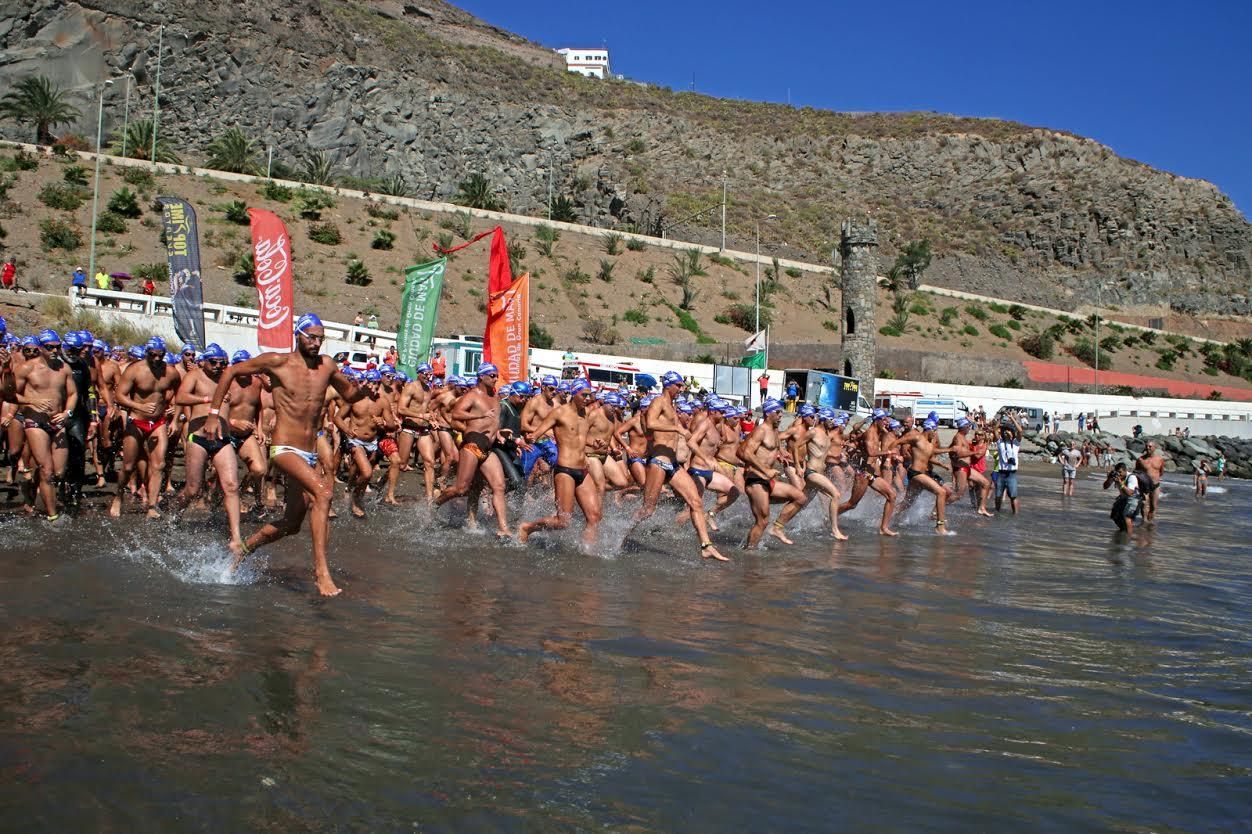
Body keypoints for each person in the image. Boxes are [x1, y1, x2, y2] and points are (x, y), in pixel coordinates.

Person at [202, 313, 366, 597]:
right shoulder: (277, 362)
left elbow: (350, 395)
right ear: (298, 335)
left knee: (291, 525)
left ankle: (243, 549)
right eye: (311, 337)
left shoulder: (326, 366)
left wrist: (362, 390)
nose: (316, 343)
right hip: (284, 448)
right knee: (324, 494)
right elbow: (230, 371)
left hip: (309, 452)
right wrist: (214, 415)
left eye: (320, 339)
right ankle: (321, 573)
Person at [13, 329, 77, 521]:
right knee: (47, 470)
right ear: (40, 348)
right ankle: (52, 515)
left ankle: (31, 486)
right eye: (50, 347)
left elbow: (73, 394)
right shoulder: (26, 368)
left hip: (58, 423)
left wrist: (68, 412)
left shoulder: (63, 368)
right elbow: (10, 395)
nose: (55, 351)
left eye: (58, 347)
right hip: (35, 423)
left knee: (58, 472)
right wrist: (31, 402)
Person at [994, 410, 1022, 514]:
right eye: (1004, 430)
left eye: (1009, 430)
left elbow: (1020, 431)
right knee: (998, 495)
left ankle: (1015, 515)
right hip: (1001, 473)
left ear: (1012, 433)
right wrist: (1001, 418)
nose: (1006, 432)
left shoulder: (1015, 443)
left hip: (1012, 474)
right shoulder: (1000, 442)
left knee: (1013, 496)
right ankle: (997, 513)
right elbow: (995, 430)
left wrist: (1012, 418)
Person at [1103, 462, 1140, 534]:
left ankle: (1129, 536)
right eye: (1117, 472)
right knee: (1114, 515)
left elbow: (1130, 493)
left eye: (1120, 472)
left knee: (1126, 516)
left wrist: (1120, 483)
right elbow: (1105, 487)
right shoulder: (1116, 476)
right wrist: (1109, 478)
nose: (1119, 474)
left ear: (1125, 471)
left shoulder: (1132, 477)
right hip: (1123, 497)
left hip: (1134, 498)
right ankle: (1123, 530)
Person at [1134, 441, 1166, 523]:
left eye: (1150, 446)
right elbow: (1136, 471)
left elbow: (1161, 472)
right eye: (1147, 446)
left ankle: (1150, 522)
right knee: (1144, 503)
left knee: (1153, 507)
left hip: (1155, 485)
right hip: (1144, 485)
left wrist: (1155, 478)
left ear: (1154, 448)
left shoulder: (1160, 459)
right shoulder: (1140, 459)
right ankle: (1144, 522)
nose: (1147, 448)